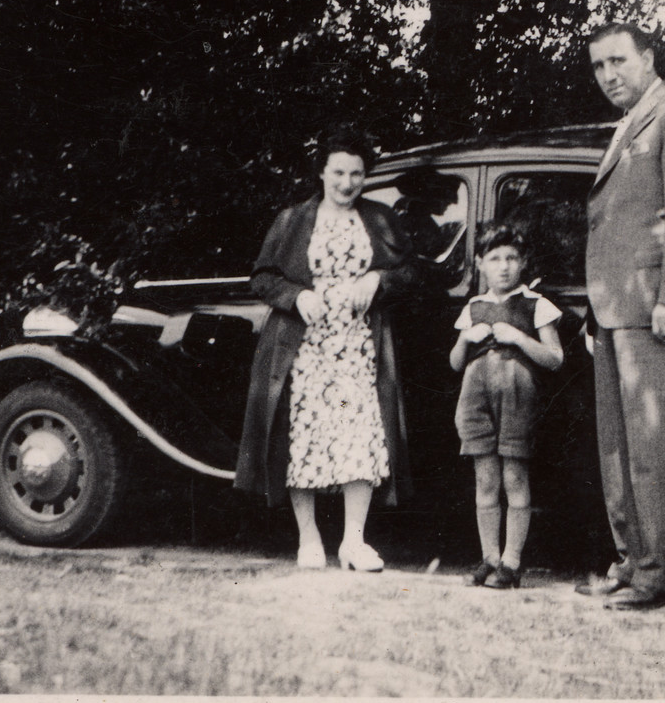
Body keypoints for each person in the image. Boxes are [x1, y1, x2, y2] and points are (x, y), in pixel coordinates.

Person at [575, 19, 665, 611]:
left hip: (660, 310)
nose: (609, 75)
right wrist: (598, 311)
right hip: (619, 312)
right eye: (598, 66)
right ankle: (633, 562)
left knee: (658, 449)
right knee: (619, 449)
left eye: (619, 61)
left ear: (648, 57)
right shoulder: (629, 123)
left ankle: (660, 577)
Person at [235, 127, 427, 572]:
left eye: (357, 174)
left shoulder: (379, 219)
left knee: (360, 438)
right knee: (303, 439)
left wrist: (377, 278)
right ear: (321, 172)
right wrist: (296, 296)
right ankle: (309, 538)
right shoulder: (293, 220)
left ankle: (354, 542)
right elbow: (263, 277)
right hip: (305, 350)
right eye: (338, 172)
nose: (347, 183)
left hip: (360, 348)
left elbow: (411, 272)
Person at [447, 224, 564, 590]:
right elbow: (454, 363)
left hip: (517, 397)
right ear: (480, 264)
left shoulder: (536, 304)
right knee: (485, 479)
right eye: (495, 259)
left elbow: (555, 358)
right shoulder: (473, 308)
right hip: (476, 397)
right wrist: (466, 338)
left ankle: (512, 562)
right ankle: (489, 558)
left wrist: (519, 337)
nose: (504, 266)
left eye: (512, 258)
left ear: (523, 262)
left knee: (514, 478)